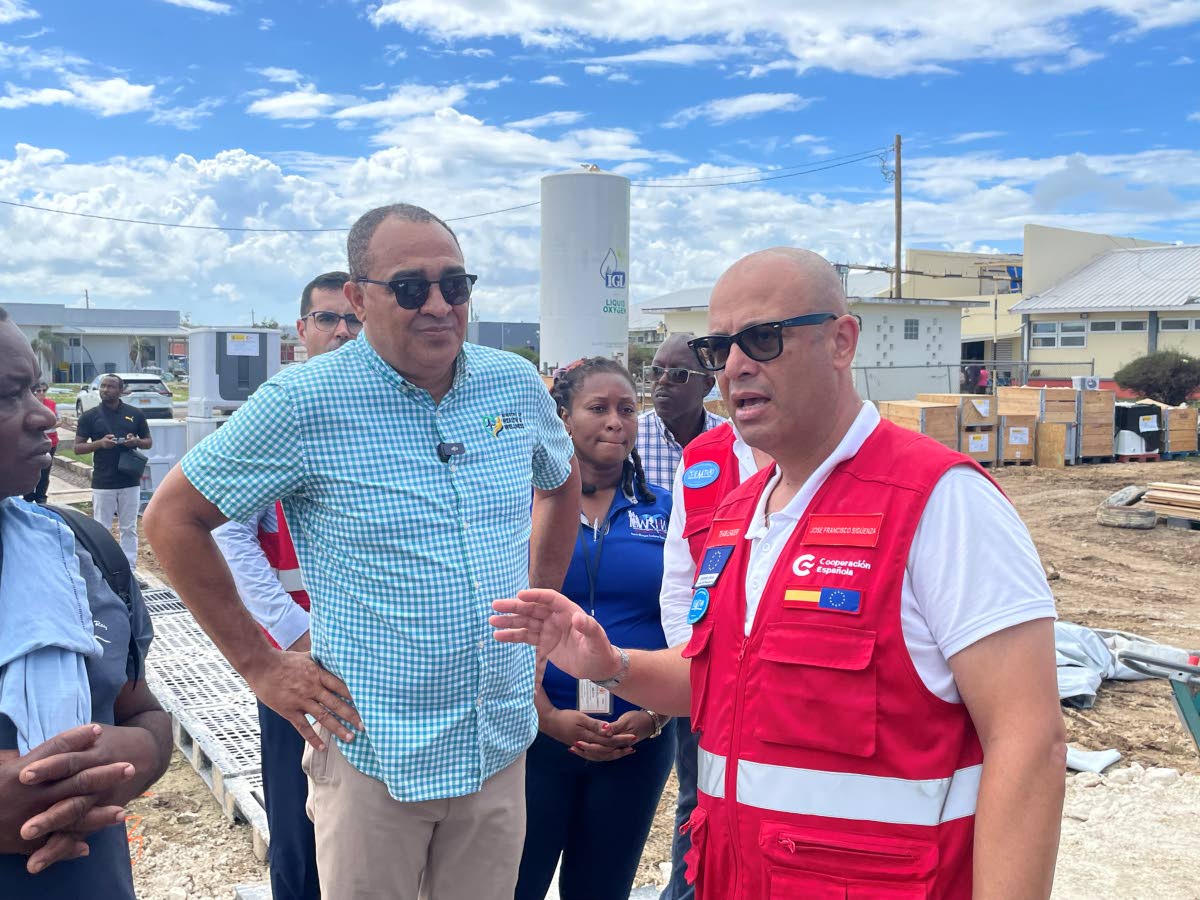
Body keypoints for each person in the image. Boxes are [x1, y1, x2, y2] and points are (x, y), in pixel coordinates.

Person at [492, 248, 1066, 900]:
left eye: (763, 338)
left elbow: (1030, 742)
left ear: (842, 342)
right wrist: (613, 664)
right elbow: (718, 680)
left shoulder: (941, 501)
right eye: (719, 348)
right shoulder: (739, 512)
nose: (735, 365)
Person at [144, 202, 581, 900]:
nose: (437, 305)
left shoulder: (514, 384)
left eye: (455, 285)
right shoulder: (304, 402)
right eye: (410, 287)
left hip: (495, 743)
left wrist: (539, 612)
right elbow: (172, 519)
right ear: (358, 297)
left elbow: (560, 482)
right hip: (376, 755)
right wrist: (260, 666)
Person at [0, 306, 172, 898]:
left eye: (36, 389)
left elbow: (141, 711)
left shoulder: (81, 553)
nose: (43, 415)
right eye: (8, 395)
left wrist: (136, 754)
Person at [211, 270, 356, 900]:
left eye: (355, 319)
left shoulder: (390, 418)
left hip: (380, 657)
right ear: (302, 331)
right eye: (328, 319)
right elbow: (228, 534)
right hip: (301, 659)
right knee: (300, 822)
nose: (344, 332)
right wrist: (292, 633)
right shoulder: (276, 418)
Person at [516, 357, 676, 900]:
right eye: (598, 408)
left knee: (603, 889)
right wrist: (545, 715)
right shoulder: (521, 508)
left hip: (636, 741)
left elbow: (688, 624)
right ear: (562, 417)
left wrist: (655, 714)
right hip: (533, 737)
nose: (616, 421)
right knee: (516, 885)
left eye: (627, 409)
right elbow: (499, 618)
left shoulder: (669, 512)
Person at [636, 333, 768, 900]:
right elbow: (679, 580)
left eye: (678, 374)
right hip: (705, 676)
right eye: (656, 373)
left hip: (778, 686)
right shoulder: (696, 458)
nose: (662, 385)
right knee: (698, 803)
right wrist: (695, 669)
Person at [73, 374, 153, 570]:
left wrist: (135, 441)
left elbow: (148, 442)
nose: (105, 390)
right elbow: (78, 448)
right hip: (103, 481)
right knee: (102, 528)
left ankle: (130, 569)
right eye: (103, 386)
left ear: (121, 390)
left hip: (130, 480)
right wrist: (100, 444)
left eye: (110, 387)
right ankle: (104, 569)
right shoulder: (90, 416)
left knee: (129, 528)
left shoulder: (135, 414)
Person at [636, 334, 724, 491]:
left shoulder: (730, 439)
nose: (662, 380)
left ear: (707, 385)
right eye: (656, 371)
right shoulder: (630, 438)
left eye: (677, 374)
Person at [23, 383, 60, 504]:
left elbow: (59, 421)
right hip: (32, 442)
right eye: (38, 390)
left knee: (45, 470)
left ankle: (41, 496)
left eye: (44, 390)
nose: (42, 393)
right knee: (30, 469)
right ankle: (28, 495)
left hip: (50, 441)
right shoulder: (27, 405)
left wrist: (45, 425)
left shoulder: (52, 404)